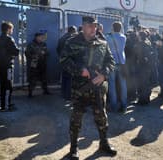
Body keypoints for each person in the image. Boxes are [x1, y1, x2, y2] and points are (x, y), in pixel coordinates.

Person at [60, 16, 117, 160]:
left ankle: (104, 144)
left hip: (98, 88)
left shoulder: (103, 43)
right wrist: (80, 70)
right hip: (80, 89)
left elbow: (111, 62)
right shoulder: (72, 42)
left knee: (102, 118)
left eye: (95, 26)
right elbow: (63, 60)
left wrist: (104, 75)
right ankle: (73, 149)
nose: (93, 28)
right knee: (76, 119)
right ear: (83, 26)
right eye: (90, 26)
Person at [0, 21, 19, 111]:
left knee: (3, 85)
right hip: (7, 66)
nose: (12, 30)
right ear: (8, 29)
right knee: (8, 85)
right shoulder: (9, 39)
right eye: (12, 29)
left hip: (0, 65)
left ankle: (6, 103)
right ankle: (5, 106)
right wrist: (12, 54)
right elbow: (16, 51)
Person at [106, 21, 127, 112]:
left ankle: (113, 106)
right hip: (122, 63)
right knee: (123, 85)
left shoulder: (108, 37)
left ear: (112, 28)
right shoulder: (124, 37)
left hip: (112, 63)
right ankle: (124, 105)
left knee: (112, 84)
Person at [25, 32, 50, 97]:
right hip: (34, 63)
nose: (41, 38)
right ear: (36, 37)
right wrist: (33, 56)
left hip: (42, 63)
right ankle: (30, 92)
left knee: (44, 77)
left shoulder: (44, 44)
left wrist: (44, 53)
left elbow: (47, 53)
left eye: (42, 37)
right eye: (40, 37)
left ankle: (45, 90)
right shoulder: (31, 45)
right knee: (33, 78)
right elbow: (27, 53)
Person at [57, 26, 78, 101]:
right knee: (70, 78)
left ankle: (63, 93)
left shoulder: (61, 38)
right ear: (74, 31)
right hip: (70, 62)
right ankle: (68, 96)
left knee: (64, 77)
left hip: (63, 61)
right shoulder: (72, 39)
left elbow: (58, 49)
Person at [133, 31, 154, 105]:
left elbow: (138, 56)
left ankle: (142, 100)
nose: (137, 36)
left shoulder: (140, 44)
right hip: (147, 66)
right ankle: (146, 99)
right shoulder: (148, 43)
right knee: (145, 83)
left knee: (141, 84)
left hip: (142, 66)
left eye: (138, 35)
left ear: (140, 36)